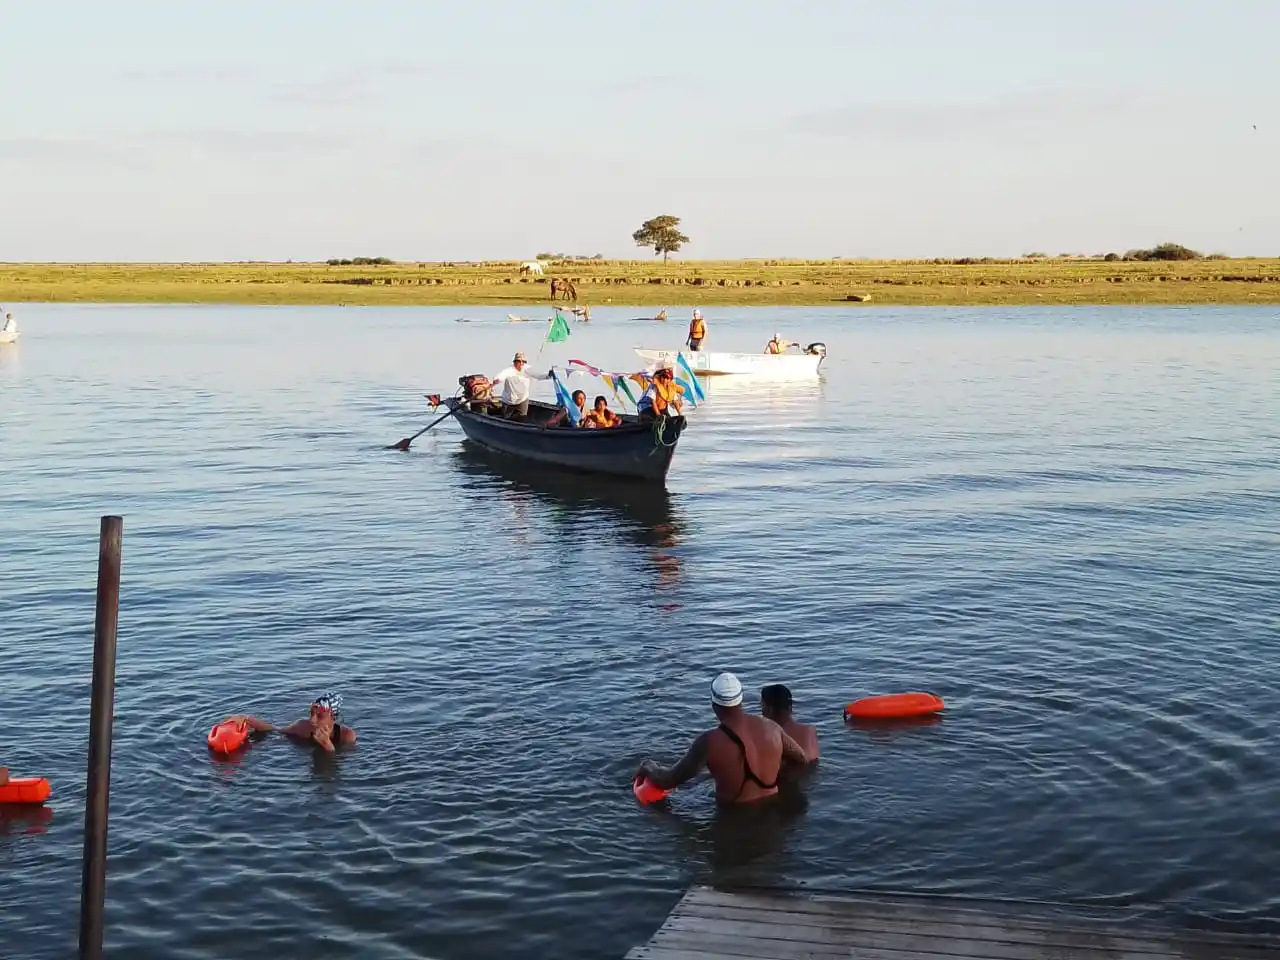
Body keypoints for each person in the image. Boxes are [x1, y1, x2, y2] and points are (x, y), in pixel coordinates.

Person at [636, 672, 808, 806]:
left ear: (714, 705)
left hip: (734, 819)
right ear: (741, 700)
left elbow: (669, 780)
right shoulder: (772, 728)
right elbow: (801, 759)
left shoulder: (709, 742)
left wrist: (649, 767)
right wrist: (779, 779)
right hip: (773, 817)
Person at [229, 694, 356, 754]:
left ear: (333, 717)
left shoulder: (346, 736)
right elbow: (274, 731)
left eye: (319, 716)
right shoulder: (302, 726)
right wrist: (247, 719)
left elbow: (337, 763)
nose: (313, 720)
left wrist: (327, 746)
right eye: (311, 714)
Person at [760, 684, 819, 763]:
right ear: (790, 706)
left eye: (762, 706)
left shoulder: (771, 736)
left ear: (769, 709)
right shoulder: (810, 730)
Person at [490, 351, 551, 420]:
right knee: (506, 419)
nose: (521, 363)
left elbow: (539, 376)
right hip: (509, 401)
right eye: (519, 361)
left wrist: (549, 375)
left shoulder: (528, 369)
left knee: (522, 418)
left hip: (522, 400)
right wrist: (497, 379)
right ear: (514, 362)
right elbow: (501, 375)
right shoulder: (510, 370)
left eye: (523, 362)